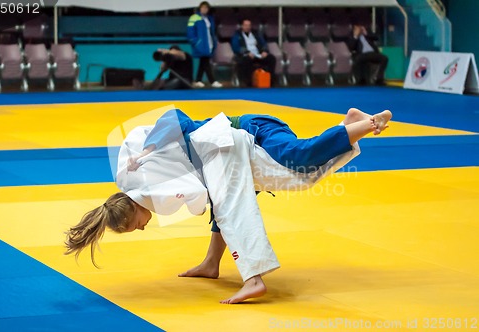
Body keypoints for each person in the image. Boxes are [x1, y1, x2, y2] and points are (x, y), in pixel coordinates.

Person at [65, 108, 392, 304]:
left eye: (137, 225)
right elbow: (217, 205)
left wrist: (149, 147)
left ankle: (366, 124)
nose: (144, 227)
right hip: (235, 148)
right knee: (263, 188)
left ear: (132, 210)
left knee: (297, 164)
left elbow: (175, 117)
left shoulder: (145, 166)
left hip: (252, 130)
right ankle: (212, 263)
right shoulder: (153, 184)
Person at [187, 1, 222, 88]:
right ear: (200, 8)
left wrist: (213, 42)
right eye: (203, 7)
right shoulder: (194, 17)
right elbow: (190, 31)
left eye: (206, 8)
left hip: (208, 42)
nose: (204, 9)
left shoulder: (209, 18)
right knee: (205, 61)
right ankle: (212, 81)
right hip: (201, 43)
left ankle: (198, 80)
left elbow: (211, 31)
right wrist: (195, 41)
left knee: (203, 61)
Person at [231, 19, 276, 87]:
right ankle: (249, 82)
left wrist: (264, 51)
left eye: (249, 25)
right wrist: (247, 52)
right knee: (247, 60)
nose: (247, 27)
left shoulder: (256, 34)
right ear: (242, 26)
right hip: (246, 55)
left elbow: (263, 44)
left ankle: (269, 80)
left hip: (258, 54)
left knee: (271, 58)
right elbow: (236, 47)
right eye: (245, 25)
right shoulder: (237, 35)